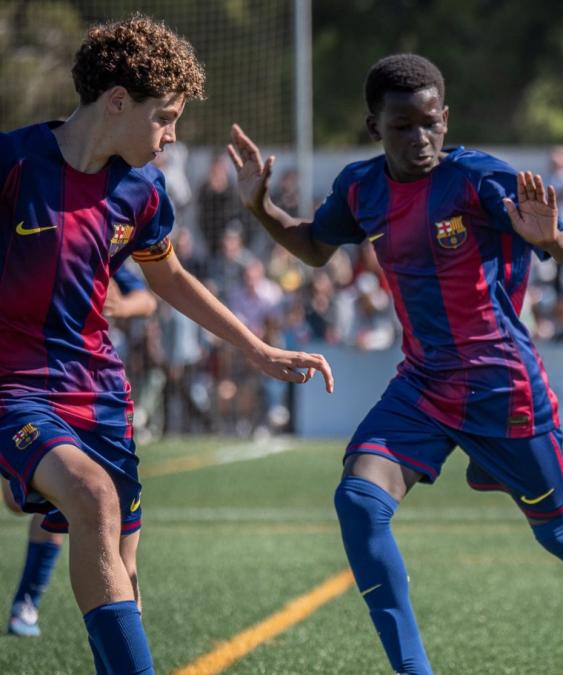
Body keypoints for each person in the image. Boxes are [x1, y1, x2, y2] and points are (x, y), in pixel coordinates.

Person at [228, 54, 563, 675]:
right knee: (358, 501)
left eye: (430, 123)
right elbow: (314, 246)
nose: (420, 138)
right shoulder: (362, 187)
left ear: (446, 117)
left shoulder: (478, 178)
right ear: (374, 125)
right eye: (402, 126)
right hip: (423, 385)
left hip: (502, 384)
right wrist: (260, 209)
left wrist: (548, 238)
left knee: (559, 531)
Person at [0, 15, 333, 674]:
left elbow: (170, 279)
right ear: (118, 101)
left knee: (123, 570)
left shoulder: (144, 191)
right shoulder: (10, 163)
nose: (174, 135)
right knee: (93, 497)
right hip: (15, 388)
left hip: (99, 394)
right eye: (167, 117)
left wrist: (257, 350)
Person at [5, 266, 155, 638]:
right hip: (28, 385)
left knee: (86, 503)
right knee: (30, 498)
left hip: (91, 391)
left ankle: (28, 601)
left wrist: (117, 306)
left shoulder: (108, 228)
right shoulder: (26, 226)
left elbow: (148, 297)